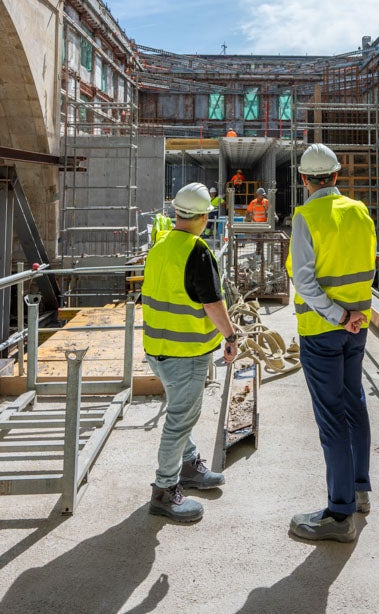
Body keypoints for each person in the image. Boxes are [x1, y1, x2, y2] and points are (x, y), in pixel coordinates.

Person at [285, 143, 376, 543]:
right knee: (354, 401)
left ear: (305, 180)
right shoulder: (360, 211)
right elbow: (369, 264)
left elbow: (304, 280)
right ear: (337, 176)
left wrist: (336, 314)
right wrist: (352, 315)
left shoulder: (307, 216)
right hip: (359, 325)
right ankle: (359, 491)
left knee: (331, 417)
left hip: (324, 329)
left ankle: (340, 516)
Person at [141, 182, 239, 523]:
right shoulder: (196, 251)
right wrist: (230, 335)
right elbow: (212, 302)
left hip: (158, 349)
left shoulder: (161, 244)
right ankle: (164, 492)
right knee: (180, 419)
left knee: (179, 411)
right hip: (186, 352)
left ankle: (188, 465)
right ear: (203, 217)